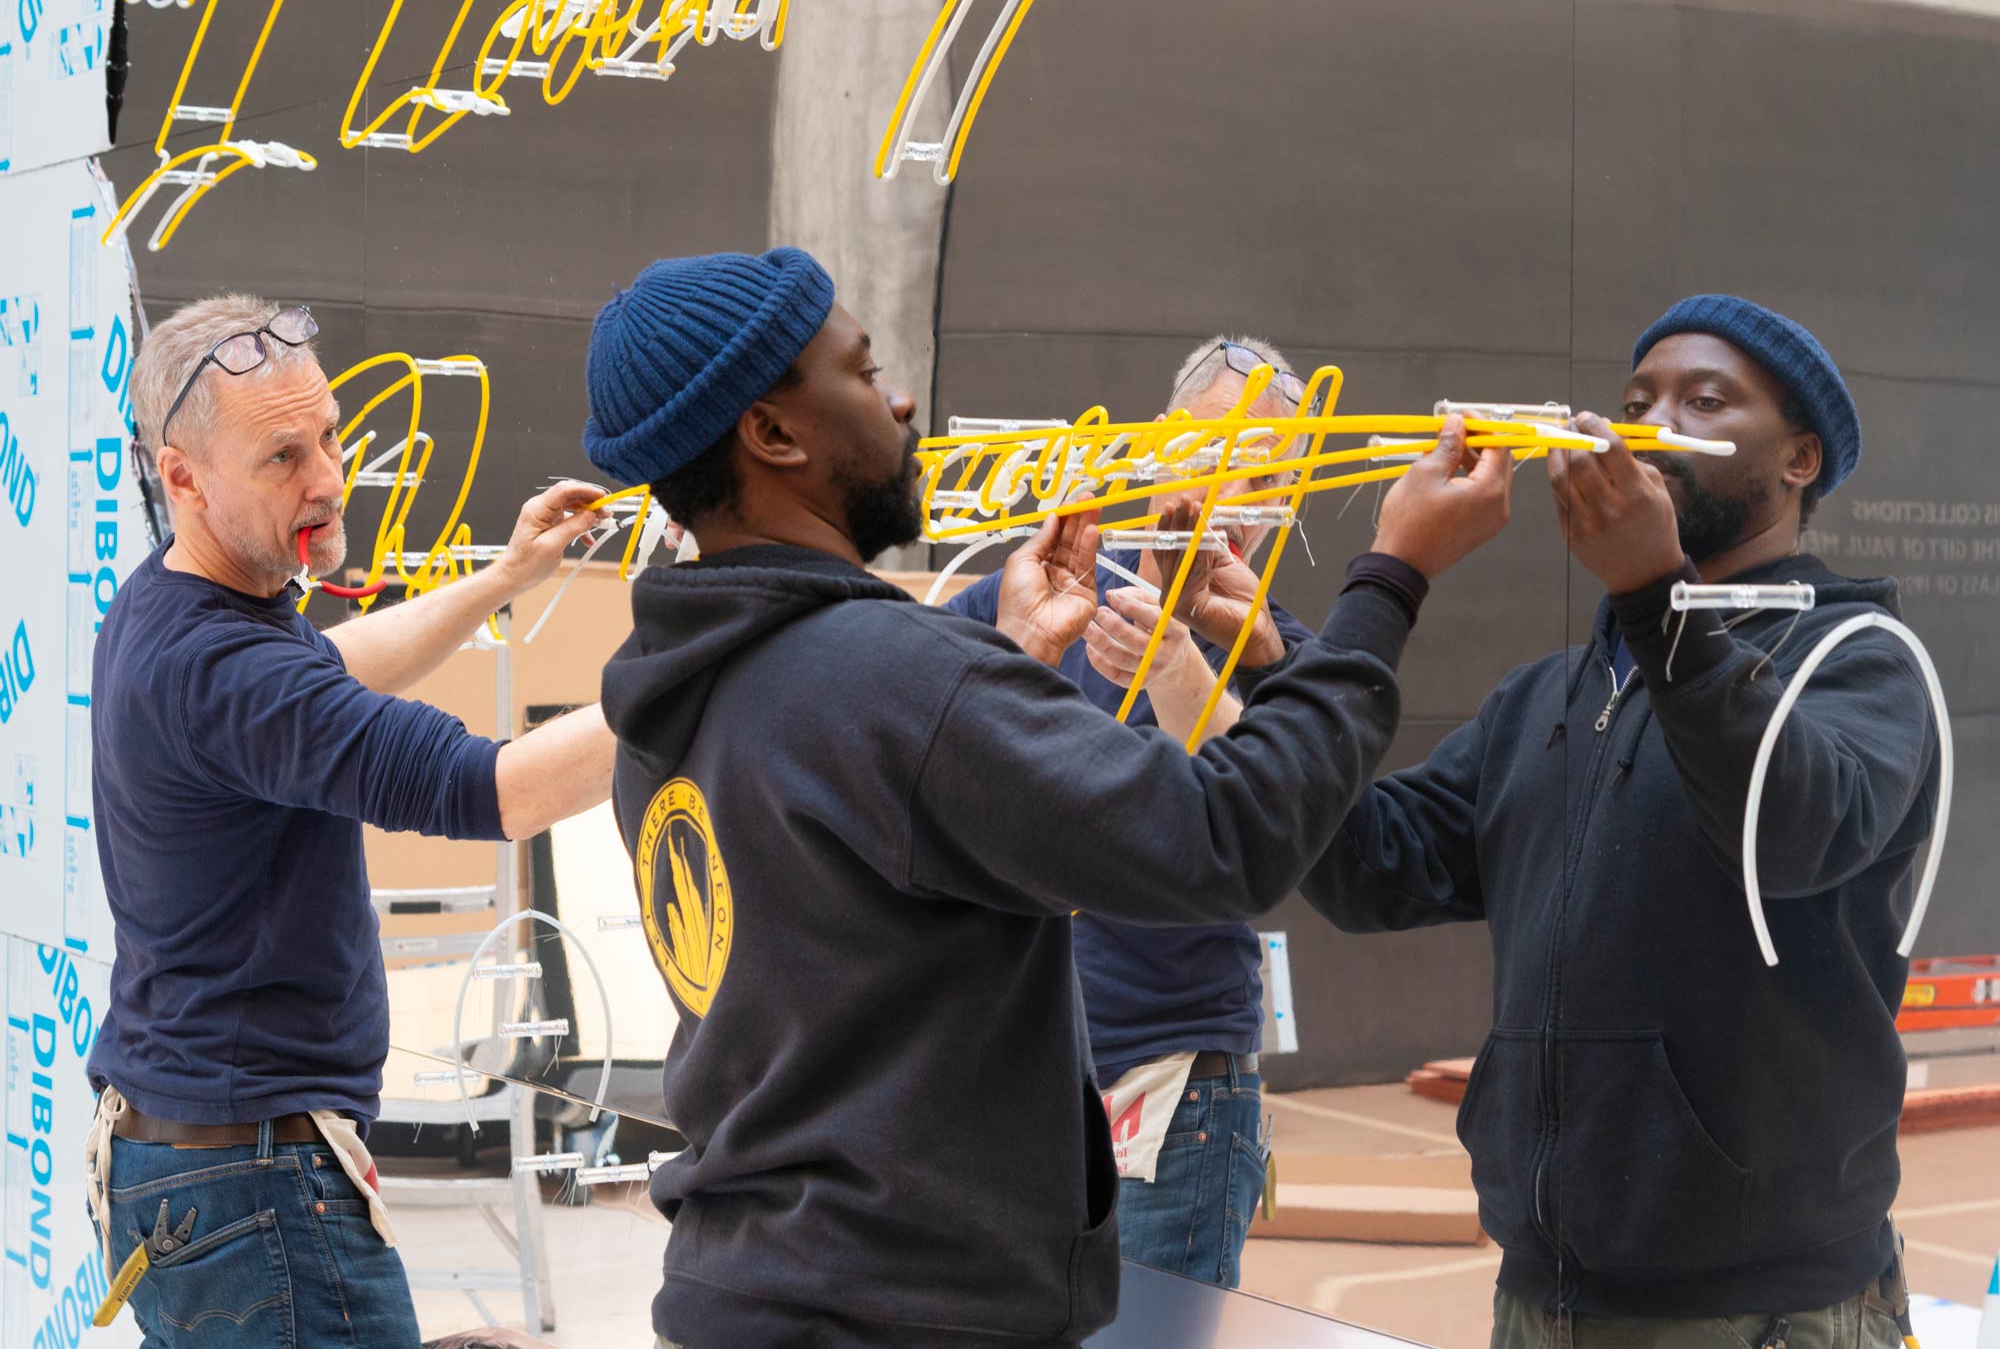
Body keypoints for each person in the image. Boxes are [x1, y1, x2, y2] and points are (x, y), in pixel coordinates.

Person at [581, 247, 1513, 1349]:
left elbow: (868, 909)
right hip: (900, 1304)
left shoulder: (675, 686)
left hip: (754, 1280)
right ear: (774, 435)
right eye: (864, 367)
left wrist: (1016, 662)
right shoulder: (892, 672)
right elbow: (1221, 841)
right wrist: (1389, 579)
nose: (900, 396)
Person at [1293, 295, 1937, 1349]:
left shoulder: (1858, 660)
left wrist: (1653, 597)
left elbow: (1790, 828)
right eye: (1634, 397)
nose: (1647, 420)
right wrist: (1250, 682)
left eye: (1702, 398)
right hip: (1540, 1298)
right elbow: (1368, 868)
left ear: (1798, 459)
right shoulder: (1549, 690)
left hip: (1758, 1311)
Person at [86, 295, 619, 1348]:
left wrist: (502, 581)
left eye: (329, 434)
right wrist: (736, 678)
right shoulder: (223, 669)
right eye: (281, 457)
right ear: (180, 475)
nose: (328, 478)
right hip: (253, 1189)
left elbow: (327, 664)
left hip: (188, 1164)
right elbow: (498, 790)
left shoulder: (175, 604)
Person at [947, 333, 1313, 1288]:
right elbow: (917, 740)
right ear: (1160, 444)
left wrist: (1180, 660)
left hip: (1169, 1074)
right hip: (1008, 1066)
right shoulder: (1035, 590)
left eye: (1269, 469)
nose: (1236, 489)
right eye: (1213, 450)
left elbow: (1267, 810)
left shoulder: (1275, 650)